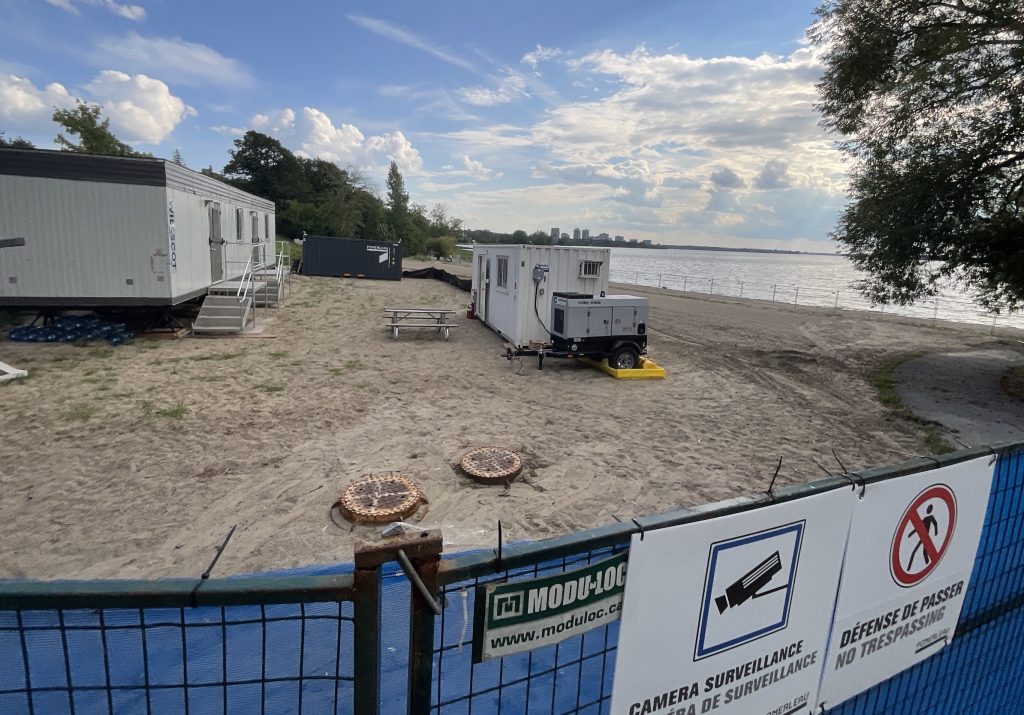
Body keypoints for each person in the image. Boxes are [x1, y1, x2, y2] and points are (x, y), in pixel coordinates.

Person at [907, 504, 939, 569]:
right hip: (923, 536)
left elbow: (935, 524)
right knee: (914, 551)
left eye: (929, 509)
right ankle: (910, 567)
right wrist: (911, 533)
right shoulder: (925, 518)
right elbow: (918, 526)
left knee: (923, 552)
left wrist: (936, 532)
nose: (928, 510)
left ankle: (929, 565)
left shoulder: (931, 517)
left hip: (926, 536)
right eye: (927, 509)